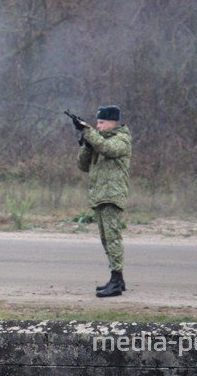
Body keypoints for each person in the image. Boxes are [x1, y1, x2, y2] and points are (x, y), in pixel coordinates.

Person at [74, 105, 132, 297]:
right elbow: (82, 166)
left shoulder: (122, 139)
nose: (97, 126)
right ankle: (117, 279)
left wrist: (89, 133)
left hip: (112, 196)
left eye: (101, 122)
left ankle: (116, 279)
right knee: (106, 239)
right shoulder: (98, 141)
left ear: (112, 122)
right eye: (96, 122)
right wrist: (86, 144)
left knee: (113, 238)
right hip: (99, 196)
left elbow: (109, 149)